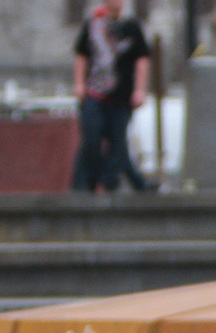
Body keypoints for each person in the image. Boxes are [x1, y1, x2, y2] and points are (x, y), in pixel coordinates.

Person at [70, 0, 150, 193]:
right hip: (95, 95)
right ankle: (86, 181)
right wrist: (79, 84)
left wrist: (140, 90)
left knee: (118, 141)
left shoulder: (131, 27)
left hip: (121, 97)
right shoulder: (93, 25)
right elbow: (81, 56)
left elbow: (142, 60)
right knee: (92, 134)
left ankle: (110, 180)